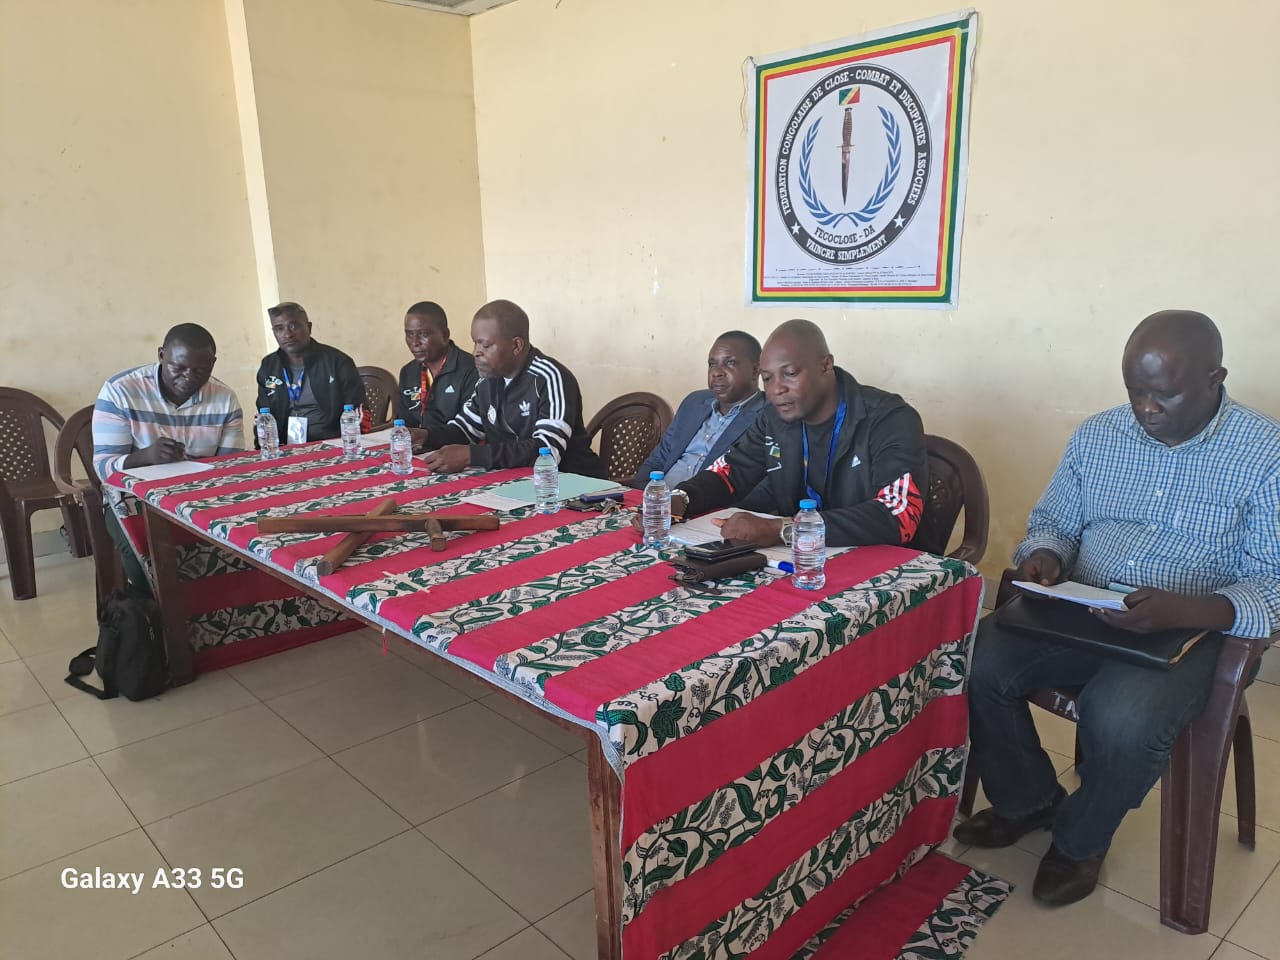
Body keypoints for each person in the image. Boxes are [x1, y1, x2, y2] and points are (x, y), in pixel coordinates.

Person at [954, 310, 1280, 907]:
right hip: (1085, 606)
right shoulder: (1098, 436)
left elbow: (1274, 583)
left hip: (1193, 630)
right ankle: (1028, 801)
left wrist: (1186, 611)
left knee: (1121, 716)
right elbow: (1053, 523)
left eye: (1164, 394)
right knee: (978, 659)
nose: (1145, 408)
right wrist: (1045, 556)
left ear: (1215, 378)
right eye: (1135, 391)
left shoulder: (1265, 453)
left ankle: (1079, 841)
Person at [670, 319, 928, 548]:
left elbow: (899, 513)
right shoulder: (773, 418)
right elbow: (732, 471)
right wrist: (680, 499)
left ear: (826, 365)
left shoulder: (889, 418)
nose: (776, 389)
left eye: (790, 374)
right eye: (767, 379)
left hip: (881, 563)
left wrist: (784, 530)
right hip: (801, 560)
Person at [92, 323, 244, 591]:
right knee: (145, 553)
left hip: (203, 496)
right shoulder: (120, 391)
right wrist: (145, 456)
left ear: (213, 364)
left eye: (200, 371)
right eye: (179, 368)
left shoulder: (224, 399)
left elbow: (230, 467)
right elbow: (104, 468)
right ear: (161, 355)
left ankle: (221, 608)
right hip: (134, 498)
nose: (189, 377)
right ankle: (157, 612)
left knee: (245, 538)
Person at [420, 299, 605, 477]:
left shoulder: (548, 378)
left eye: (485, 345)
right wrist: (424, 436)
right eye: (475, 343)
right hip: (515, 482)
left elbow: (547, 451)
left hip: (572, 482)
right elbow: (465, 429)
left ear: (516, 345)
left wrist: (472, 455)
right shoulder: (487, 381)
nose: (476, 352)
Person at [633, 331, 766, 487]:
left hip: (708, 500)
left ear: (755, 371)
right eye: (712, 364)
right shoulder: (694, 402)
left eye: (730, 363)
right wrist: (643, 493)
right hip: (658, 497)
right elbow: (658, 459)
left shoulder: (767, 416)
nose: (716, 372)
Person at [255, 301, 365, 444]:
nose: (287, 334)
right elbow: (263, 416)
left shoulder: (338, 362)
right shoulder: (269, 366)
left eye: (294, 326)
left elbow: (357, 413)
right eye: (279, 328)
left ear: (309, 327)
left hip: (332, 443)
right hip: (283, 447)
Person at [396, 301, 478, 430]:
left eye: (423, 334)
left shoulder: (471, 369)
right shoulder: (408, 372)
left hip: (453, 441)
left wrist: (426, 436)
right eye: (409, 334)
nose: (415, 342)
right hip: (416, 441)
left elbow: (468, 429)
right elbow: (403, 423)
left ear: (444, 335)